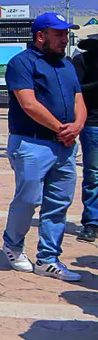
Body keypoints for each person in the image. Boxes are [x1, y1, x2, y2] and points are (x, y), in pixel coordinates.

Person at [1, 12, 86, 282]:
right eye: (59, 34)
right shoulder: (21, 63)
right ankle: (13, 246)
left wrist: (77, 126)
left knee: (58, 203)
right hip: (31, 143)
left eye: (66, 34)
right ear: (41, 36)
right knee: (28, 201)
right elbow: (28, 103)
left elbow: (78, 99)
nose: (64, 39)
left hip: (64, 146)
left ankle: (48, 258)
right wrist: (62, 129)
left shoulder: (67, 65)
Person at [72, 37, 98, 242]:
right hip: (92, 123)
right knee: (93, 174)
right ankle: (91, 222)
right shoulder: (81, 61)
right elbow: (76, 90)